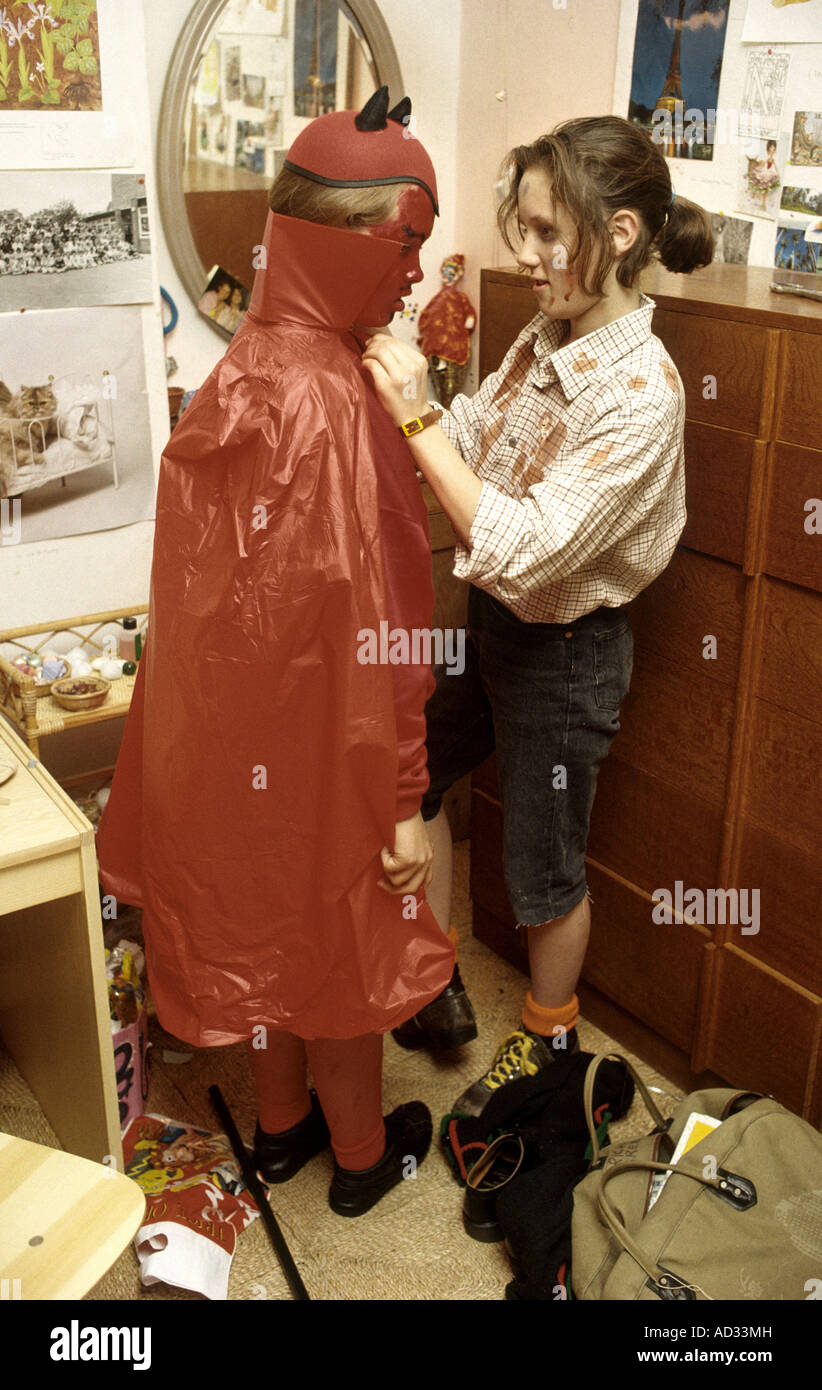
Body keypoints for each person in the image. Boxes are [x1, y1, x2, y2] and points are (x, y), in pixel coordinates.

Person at [96, 88, 457, 1216]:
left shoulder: (241, 368)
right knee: (340, 946)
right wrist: (404, 792)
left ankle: (287, 1127)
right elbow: (394, 622)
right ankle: (359, 1156)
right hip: (332, 750)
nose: (416, 274)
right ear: (352, 238)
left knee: (265, 921)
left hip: (231, 746)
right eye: (409, 244)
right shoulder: (344, 403)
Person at [363, 115, 714, 1116]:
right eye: (519, 228)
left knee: (541, 870)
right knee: (415, 774)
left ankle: (547, 1038)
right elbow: (476, 434)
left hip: (568, 652)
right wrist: (419, 396)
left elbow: (525, 543)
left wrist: (417, 417)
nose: (524, 255)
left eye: (546, 233)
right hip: (495, 624)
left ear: (620, 234)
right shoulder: (544, 331)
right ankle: (434, 982)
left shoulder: (643, 393)